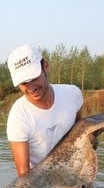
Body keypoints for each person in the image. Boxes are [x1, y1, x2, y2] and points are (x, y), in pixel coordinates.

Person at [6, 44, 83, 177]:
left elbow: (80, 132)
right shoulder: (18, 116)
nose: (31, 87)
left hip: (75, 173)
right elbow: (24, 175)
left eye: (34, 78)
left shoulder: (72, 94)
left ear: (45, 67)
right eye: (23, 83)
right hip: (40, 181)